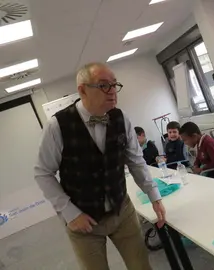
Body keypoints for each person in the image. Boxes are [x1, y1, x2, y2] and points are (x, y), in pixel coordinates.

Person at [34, 62, 166, 270]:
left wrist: (154, 195)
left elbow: (136, 161)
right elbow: (43, 173)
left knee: (141, 266)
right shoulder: (57, 126)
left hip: (122, 210)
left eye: (115, 84)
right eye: (104, 85)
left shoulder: (122, 119)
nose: (113, 91)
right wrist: (69, 213)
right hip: (83, 220)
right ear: (82, 90)